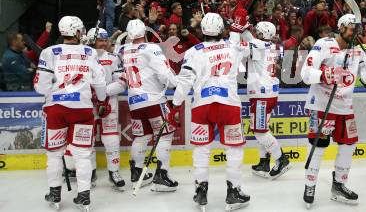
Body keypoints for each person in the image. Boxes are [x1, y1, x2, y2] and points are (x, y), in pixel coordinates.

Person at [167, 12, 251, 211]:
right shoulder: (233, 45)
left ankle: (201, 190)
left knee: (201, 149)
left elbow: (185, 81)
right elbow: (249, 50)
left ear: (201, 30)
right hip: (228, 104)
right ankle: (233, 191)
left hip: (202, 105)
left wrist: (175, 104)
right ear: (222, 29)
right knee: (233, 149)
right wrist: (240, 29)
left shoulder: (193, 51)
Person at [300, 14, 366, 208]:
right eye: (352, 30)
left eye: (356, 31)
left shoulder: (358, 50)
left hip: (345, 107)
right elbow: (306, 73)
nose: (354, 34)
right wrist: (327, 74)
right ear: (341, 28)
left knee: (349, 145)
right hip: (322, 105)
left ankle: (339, 185)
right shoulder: (324, 44)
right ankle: (310, 185)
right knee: (318, 147)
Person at [34, 16, 107, 211]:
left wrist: (52, 95)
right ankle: (84, 196)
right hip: (82, 109)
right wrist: (101, 99)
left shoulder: (49, 52)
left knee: (54, 154)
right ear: (76, 32)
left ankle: (54, 192)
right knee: (83, 155)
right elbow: (100, 84)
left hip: (57, 109)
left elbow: (40, 87)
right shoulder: (90, 52)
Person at [119, 19, 178, 192]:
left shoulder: (125, 51)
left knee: (142, 136)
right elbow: (165, 75)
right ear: (144, 32)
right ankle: (162, 176)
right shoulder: (151, 48)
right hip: (154, 100)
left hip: (135, 101)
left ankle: (137, 173)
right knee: (165, 135)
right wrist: (175, 82)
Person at [239, 21, 291, 179]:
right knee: (263, 128)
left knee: (259, 131)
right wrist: (245, 29)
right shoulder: (275, 46)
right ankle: (263, 162)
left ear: (261, 34)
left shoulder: (257, 46)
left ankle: (281, 159)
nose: (254, 33)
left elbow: (240, 48)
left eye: (257, 31)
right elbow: (253, 40)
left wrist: (238, 28)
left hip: (262, 95)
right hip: (270, 93)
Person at [87, 27, 126, 190]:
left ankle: (114, 172)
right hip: (86, 103)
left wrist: (103, 93)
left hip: (109, 102)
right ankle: (89, 172)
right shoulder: (82, 58)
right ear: (91, 41)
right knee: (86, 139)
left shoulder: (113, 58)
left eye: (105, 40)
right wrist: (93, 94)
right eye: (99, 40)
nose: (103, 43)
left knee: (111, 139)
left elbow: (122, 82)